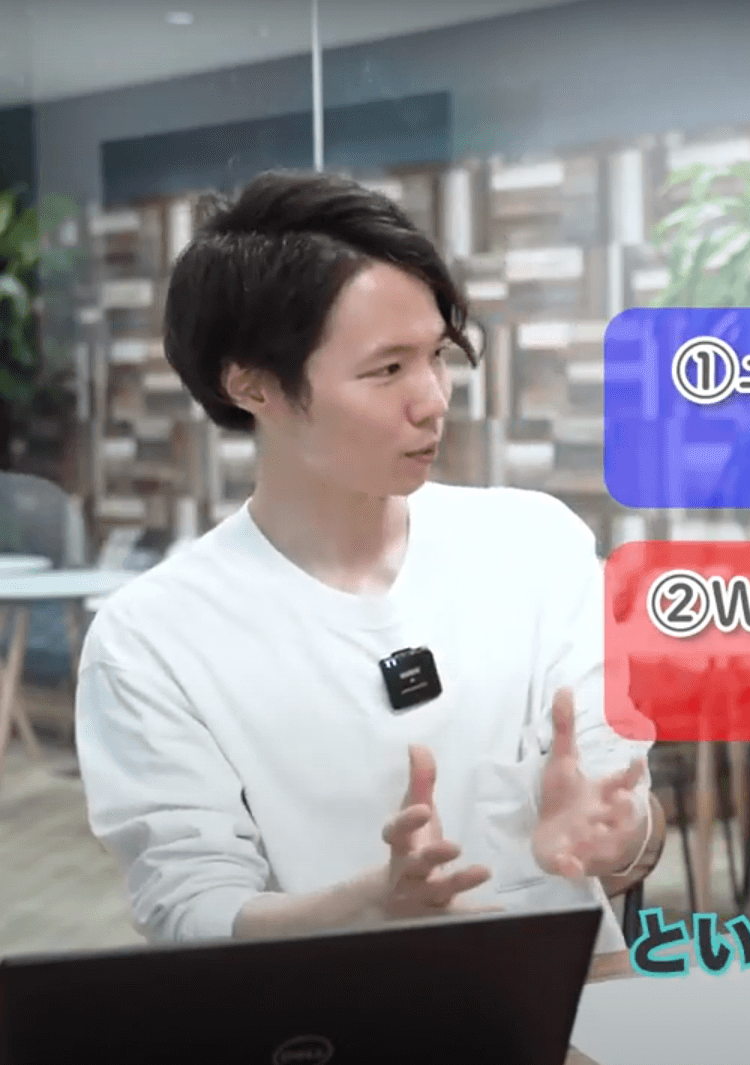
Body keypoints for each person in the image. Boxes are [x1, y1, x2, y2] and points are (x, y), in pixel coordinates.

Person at [74, 170, 664, 955]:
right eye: (387, 369)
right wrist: (364, 913)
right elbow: (188, 907)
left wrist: (618, 832)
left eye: (436, 355)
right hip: (330, 1013)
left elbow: (626, 816)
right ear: (252, 385)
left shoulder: (536, 544)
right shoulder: (152, 638)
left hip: (577, 1000)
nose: (433, 399)